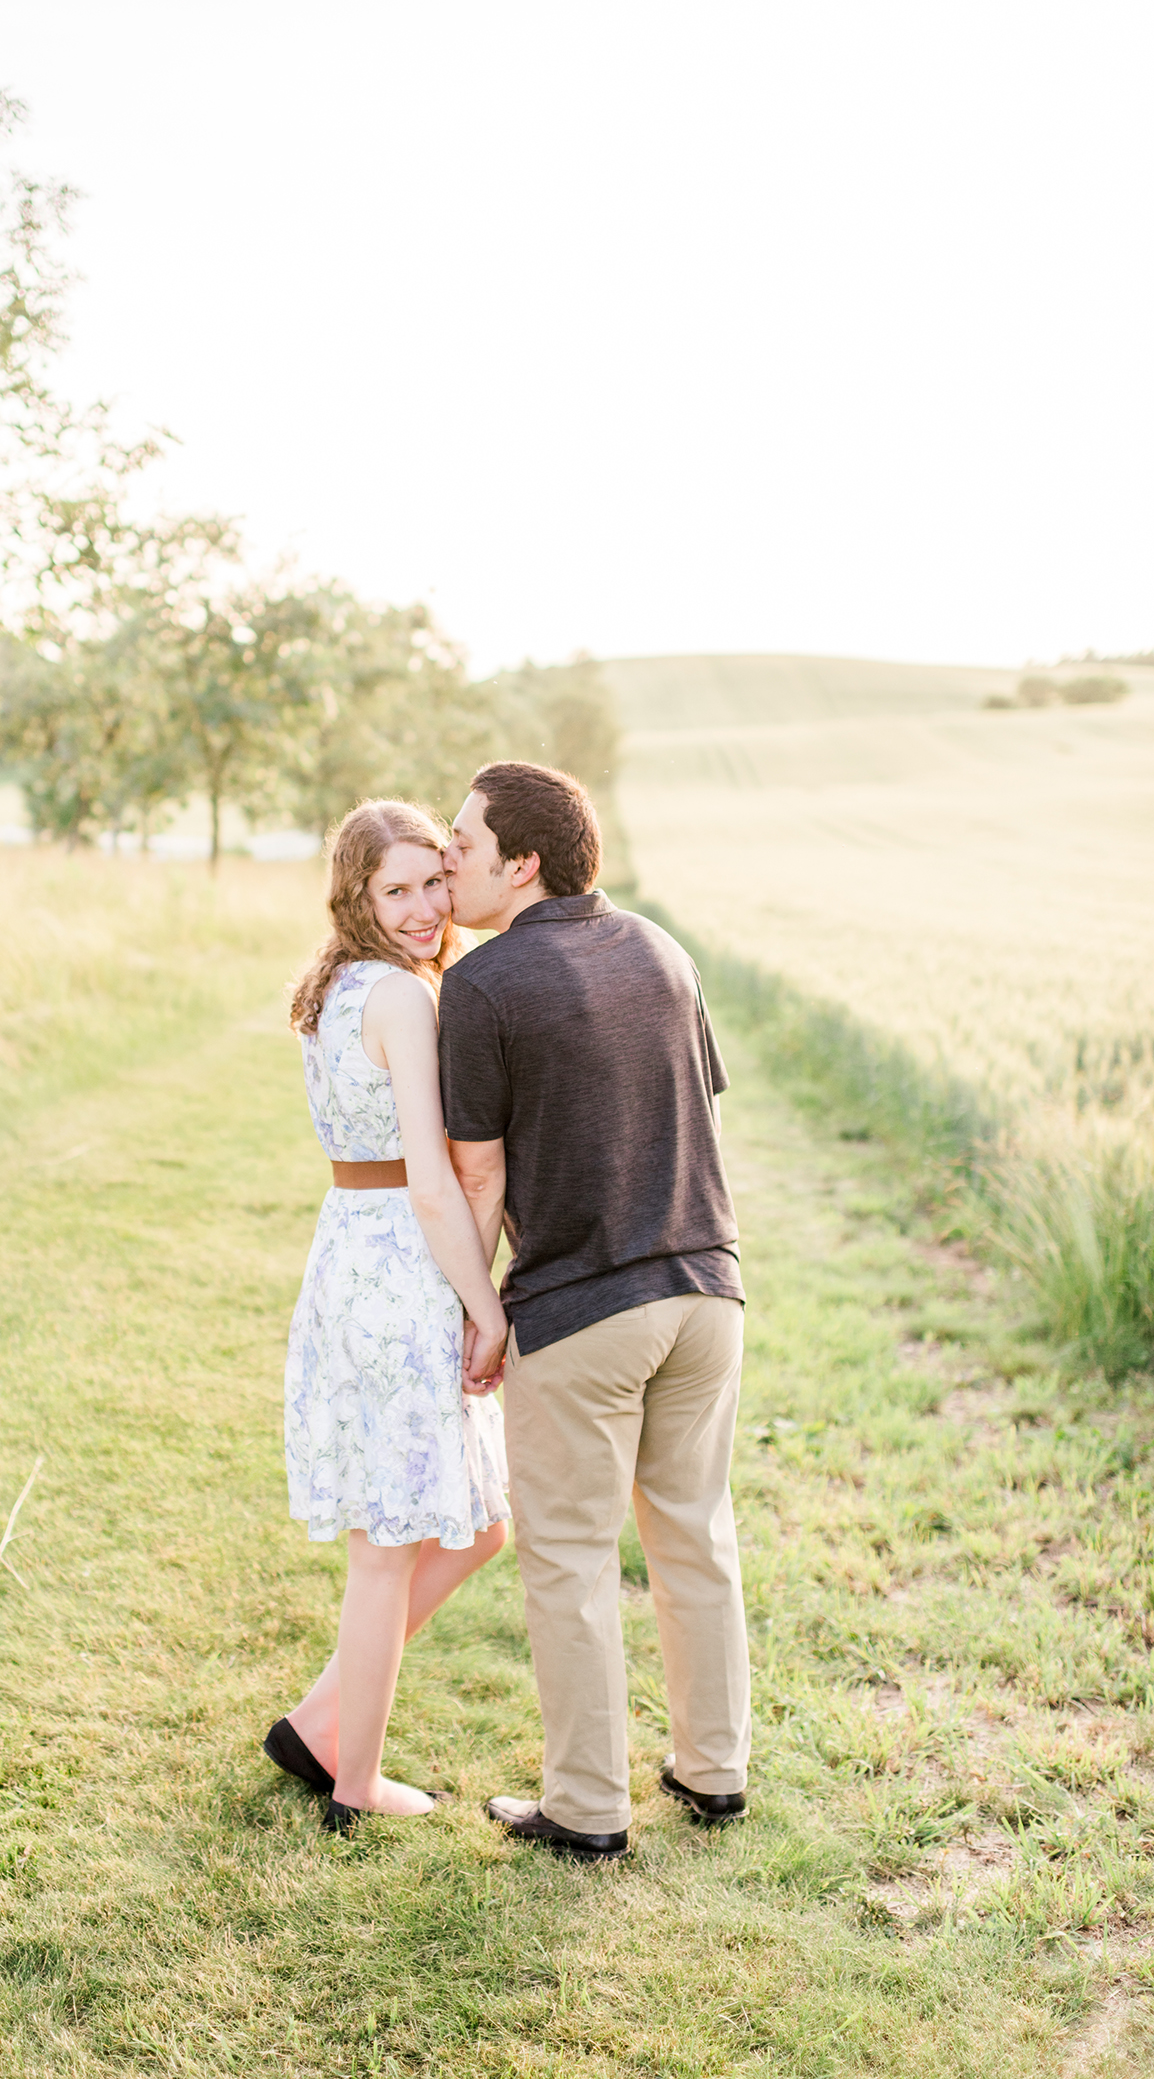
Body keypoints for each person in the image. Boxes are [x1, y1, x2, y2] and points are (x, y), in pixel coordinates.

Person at [439, 760, 750, 1863]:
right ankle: (713, 1773)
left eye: (464, 841)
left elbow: (478, 1180)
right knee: (693, 1535)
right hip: (707, 1296)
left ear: (521, 863)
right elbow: (689, 1107)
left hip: (584, 1310)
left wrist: (477, 1313)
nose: (447, 857)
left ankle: (585, 1808)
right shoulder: (662, 948)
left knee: (568, 1555)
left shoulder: (482, 986)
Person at [264, 799, 511, 1836]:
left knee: (478, 1522)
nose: (420, 908)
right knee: (387, 1543)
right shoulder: (403, 1000)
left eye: (430, 882)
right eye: (394, 890)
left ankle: (321, 1723)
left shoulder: (337, 984)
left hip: (350, 1256)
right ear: (359, 897)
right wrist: (484, 1304)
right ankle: (353, 1782)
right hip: (399, 1268)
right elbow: (428, 1179)